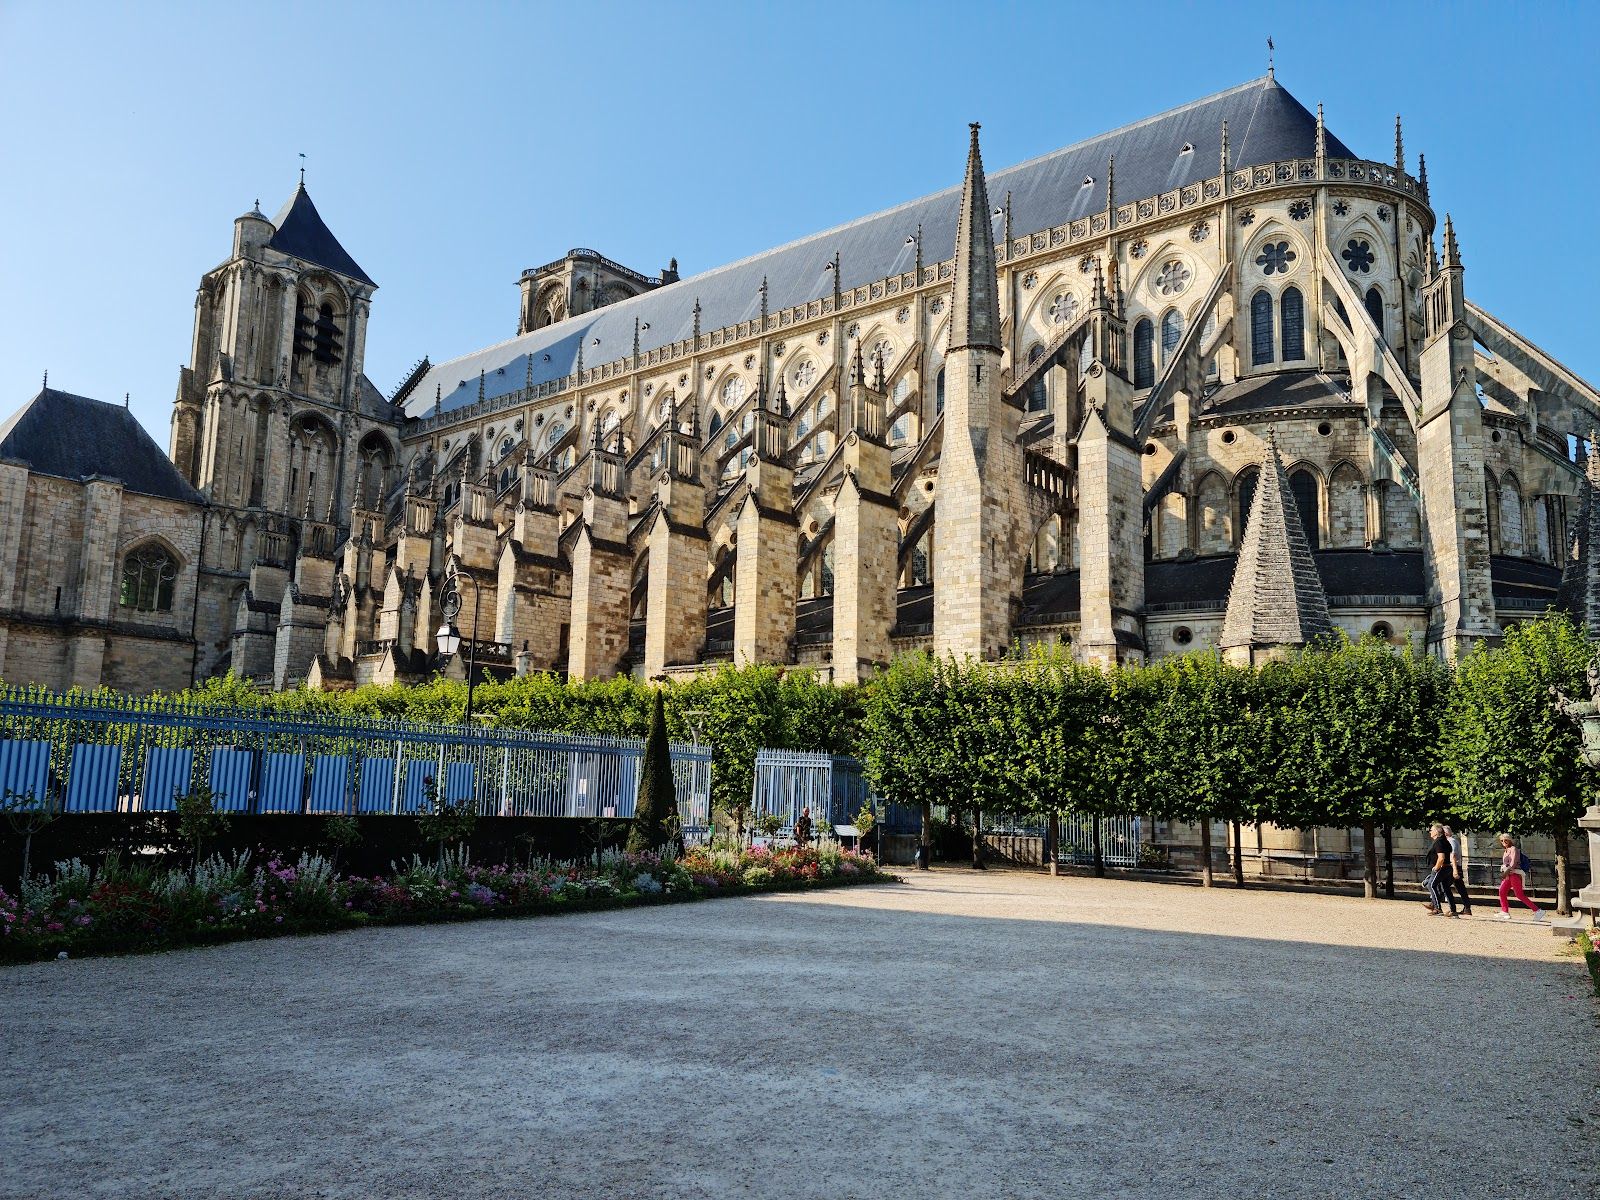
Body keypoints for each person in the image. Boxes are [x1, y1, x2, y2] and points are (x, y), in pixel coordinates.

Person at [1495, 833, 1545, 921]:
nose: (1503, 842)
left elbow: (1513, 863)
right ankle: (1505, 911)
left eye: (1505, 840)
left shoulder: (1513, 849)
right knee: (1502, 891)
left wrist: (1505, 873)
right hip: (1509, 875)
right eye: (1502, 840)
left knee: (1519, 895)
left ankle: (1538, 911)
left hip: (1514, 874)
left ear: (1509, 840)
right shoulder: (1506, 850)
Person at [1423, 822, 1458, 916]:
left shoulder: (1439, 842)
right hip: (1447, 867)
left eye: (1431, 830)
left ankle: (1437, 908)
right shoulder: (1444, 841)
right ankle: (1453, 910)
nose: (1430, 832)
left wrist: (1436, 868)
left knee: (1431, 885)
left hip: (1442, 868)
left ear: (1436, 832)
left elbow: (1441, 857)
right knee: (1445, 888)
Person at [1442, 825, 1474, 917]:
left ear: (1445, 833)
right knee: (1460, 888)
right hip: (1455, 867)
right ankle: (1467, 908)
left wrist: (1455, 870)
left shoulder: (1450, 841)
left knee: (1444, 886)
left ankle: (1448, 908)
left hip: (1453, 867)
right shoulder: (1453, 841)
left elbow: (1453, 856)